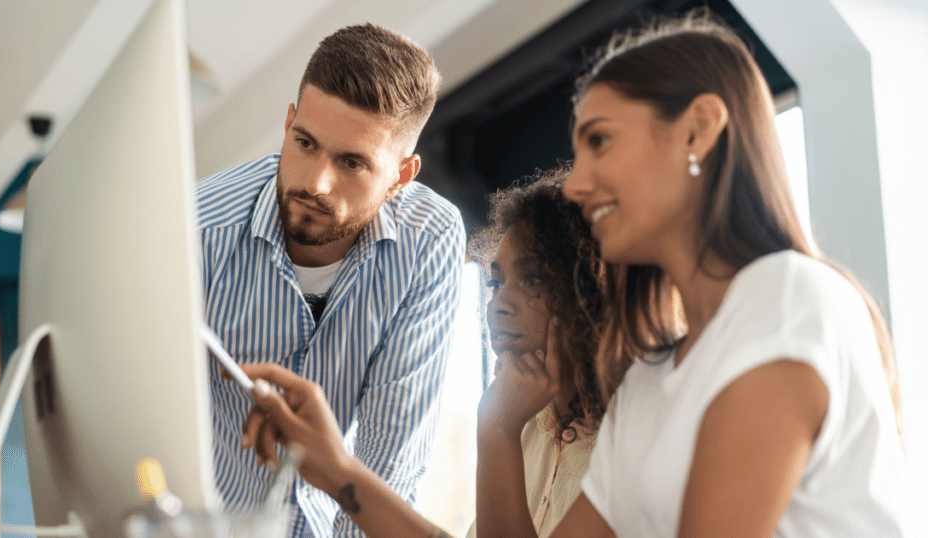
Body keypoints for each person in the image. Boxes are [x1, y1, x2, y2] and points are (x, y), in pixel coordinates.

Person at [504, 11, 910, 537]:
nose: (577, 184)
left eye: (599, 141)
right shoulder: (648, 385)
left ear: (697, 130)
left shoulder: (788, 298)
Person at [231, 168, 609, 538]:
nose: (498, 304)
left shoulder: (625, 437)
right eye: (496, 281)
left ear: (592, 291)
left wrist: (496, 430)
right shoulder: (530, 429)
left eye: (533, 278)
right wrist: (336, 468)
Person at [195, 23, 465, 538]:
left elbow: (394, 458)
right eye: (305, 143)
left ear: (401, 176)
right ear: (290, 122)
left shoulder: (428, 240)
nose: (314, 182)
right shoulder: (198, 229)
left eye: (352, 163)